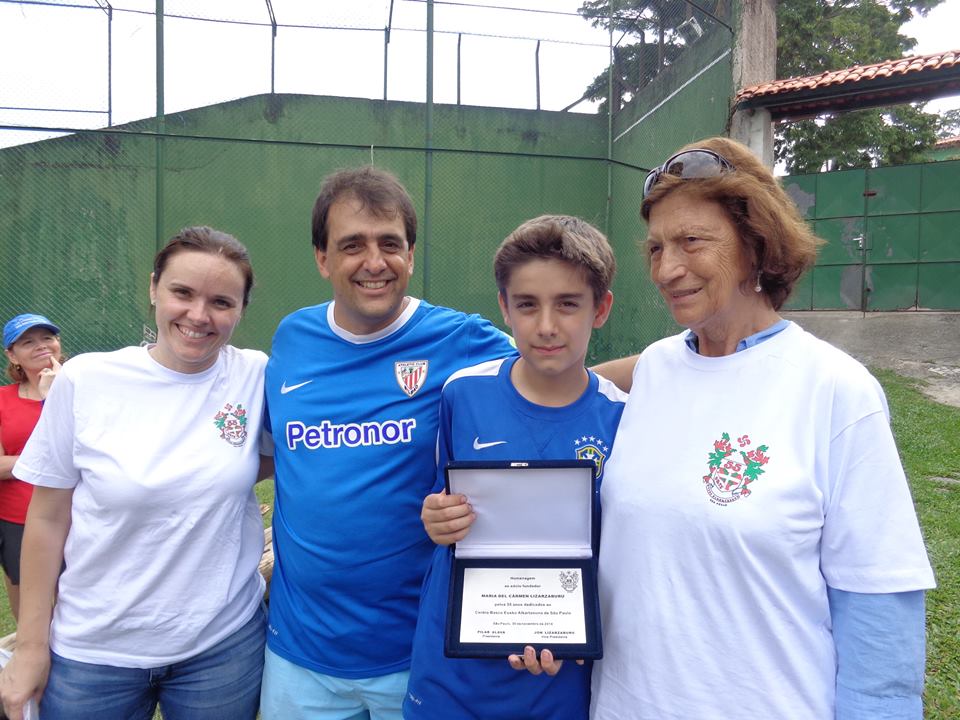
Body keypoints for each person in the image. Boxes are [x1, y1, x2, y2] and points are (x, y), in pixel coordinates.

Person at [518, 137, 937, 719]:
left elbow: (879, 605)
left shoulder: (834, 390)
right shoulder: (652, 371)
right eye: (658, 247)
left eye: (692, 242)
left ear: (755, 242)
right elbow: (547, 387)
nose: (667, 268)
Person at [260, 166, 517, 720]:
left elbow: (559, 374)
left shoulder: (460, 340)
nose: (374, 262)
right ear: (322, 259)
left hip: (416, 652)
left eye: (390, 244)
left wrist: (671, 364)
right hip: (299, 656)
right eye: (352, 245)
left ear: (412, 254)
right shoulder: (293, 338)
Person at [0, 226, 272, 720]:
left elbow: (276, 457)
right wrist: (31, 647)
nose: (198, 315)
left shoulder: (254, 375)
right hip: (96, 651)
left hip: (222, 648)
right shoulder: (87, 379)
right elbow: (46, 519)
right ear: (153, 289)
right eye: (182, 293)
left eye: (221, 302)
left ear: (242, 308)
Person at [404, 215, 627, 719]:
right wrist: (436, 518)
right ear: (504, 307)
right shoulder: (463, 392)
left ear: (601, 309)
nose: (546, 325)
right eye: (527, 305)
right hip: (450, 682)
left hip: (556, 687)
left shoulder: (621, 419)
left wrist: (566, 628)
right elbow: (438, 499)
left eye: (568, 304)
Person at [0, 314, 64, 623]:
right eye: (28, 342)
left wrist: (54, 397)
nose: (41, 346)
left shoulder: (81, 389)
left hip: (78, 515)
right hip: (18, 521)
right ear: (11, 355)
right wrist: (51, 459)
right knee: (30, 617)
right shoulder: (2, 401)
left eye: (47, 338)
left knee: (79, 611)